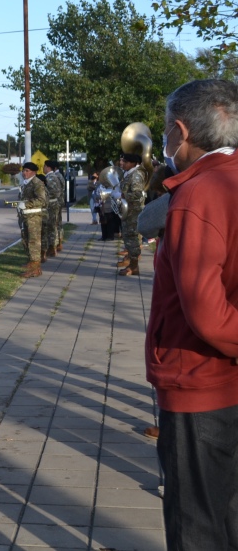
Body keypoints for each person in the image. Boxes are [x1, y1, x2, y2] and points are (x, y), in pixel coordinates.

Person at [144, 79, 238, 551]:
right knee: (226, 515)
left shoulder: (199, 194)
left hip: (200, 381)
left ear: (180, 132)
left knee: (197, 524)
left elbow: (206, 314)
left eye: (165, 130)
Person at [117, 152, 148, 276]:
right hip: (128, 211)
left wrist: (123, 196)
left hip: (134, 212)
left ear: (133, 163)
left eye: (125, 162)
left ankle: (134, 266)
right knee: (127, 237)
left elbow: (137, 194)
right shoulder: (129, 174)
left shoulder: (135, 175)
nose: (122, 163)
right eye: (122, 161)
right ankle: (130, 261)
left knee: (132, 238)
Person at [18, 162, 47, 278]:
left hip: (34, 217)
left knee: (34, 242)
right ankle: (32, 263)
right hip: (27, 216)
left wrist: (27, 205)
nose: (24, 173)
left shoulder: (37, 183)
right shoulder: (26, 183)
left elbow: (42, 200)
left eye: (27, 171)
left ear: (34, 172)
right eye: (24, 171)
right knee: (27, 240)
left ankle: (35, 269)